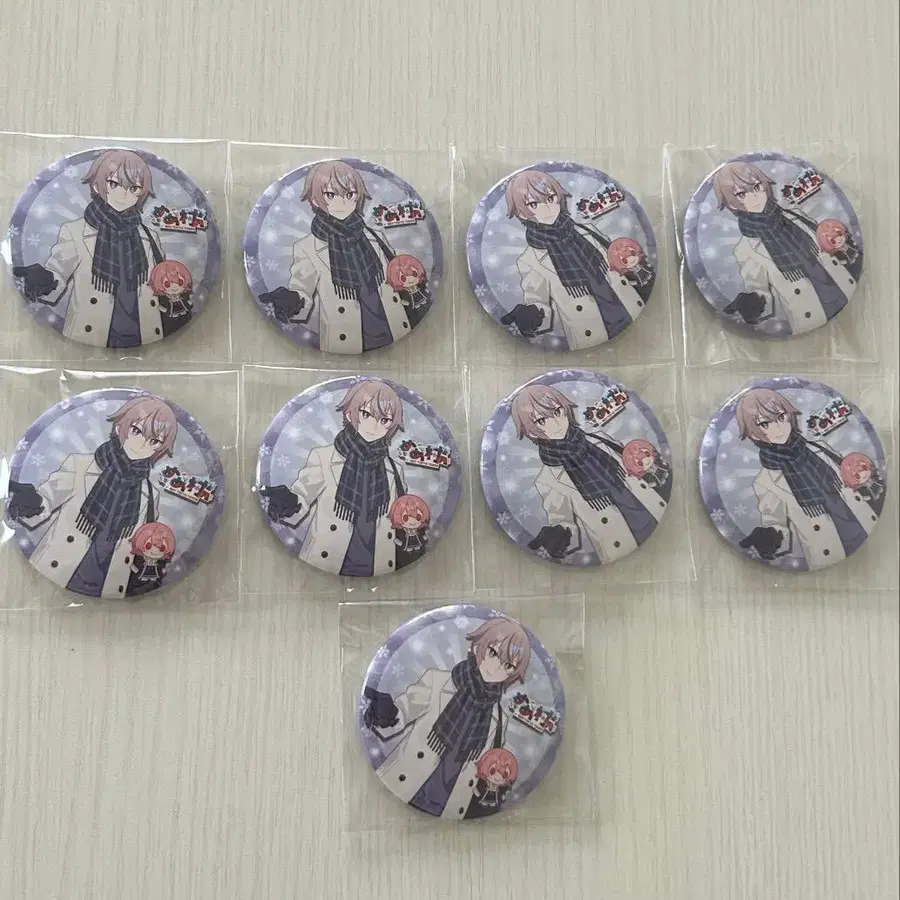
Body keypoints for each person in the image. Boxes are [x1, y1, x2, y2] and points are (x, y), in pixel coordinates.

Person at [5, 396, 177, 598]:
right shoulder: (80, 466)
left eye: (154, 441)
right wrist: (30, 503)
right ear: (119, 428)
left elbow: (142, 542)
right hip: (57, 571)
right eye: (136, 431)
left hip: (110, 585)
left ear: (160, 448)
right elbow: (47, 499)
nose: (142, 444)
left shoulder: (150, 494)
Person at [363, 616, 531, 820]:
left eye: (508, 666)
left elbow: (487, 765)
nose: (495, 669)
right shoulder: (437, 681)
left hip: (452, 804)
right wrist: (386, 713)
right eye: (493, 653)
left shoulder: (498, 718)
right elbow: (403, 711)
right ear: (477, 647)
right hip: (406, 786)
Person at [13, 149, 166, 348]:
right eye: (114, 184)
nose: (123, 194)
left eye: (134, 188)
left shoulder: (149, 236)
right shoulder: (75, 231)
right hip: (89, 334)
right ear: (96, 185)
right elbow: (58, 273)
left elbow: (162, 282)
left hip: (145, 334)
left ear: (141, 193)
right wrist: (45, 280)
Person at [258, 160, 410, 353]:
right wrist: (293, 301)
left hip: (394, 328)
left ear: (358, 196)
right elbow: (303, 291)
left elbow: (396, 277)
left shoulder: (375, 236)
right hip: (347, 337)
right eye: (330, 195)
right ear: (315, 200)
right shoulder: (307, 248)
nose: (342, 202)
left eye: (349, 194)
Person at [259, 379, 408, 577]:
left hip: (379, 564)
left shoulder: (394, 469)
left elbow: (400, 516)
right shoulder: (323, 457)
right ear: (349, 413)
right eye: (366, 414)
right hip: (327, 560)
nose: (374, 426)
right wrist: (288, 502)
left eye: (384, 420)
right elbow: (302, 499)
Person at [510, 383, 669, 563]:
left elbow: (633, 467)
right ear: (532, 433)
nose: (556, 423)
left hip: (654, 513)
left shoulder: (599, 439)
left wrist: (655, 470)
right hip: (621, 542)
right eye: (541, 421)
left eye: (557, 411)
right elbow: (563, 520)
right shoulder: (547, 479)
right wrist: (559, 536)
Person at [499, 170, 649, 349]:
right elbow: (539, 302)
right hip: (593, 332)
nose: (548, 208)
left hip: (630, 310)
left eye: (551, 198)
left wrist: (638, 269)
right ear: (521, 213)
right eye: (534, 204)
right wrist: (532, 315)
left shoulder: (586, 230)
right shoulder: (530, 260)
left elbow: (616, 261)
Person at [734, 388, 882, 569]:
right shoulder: (765, 482)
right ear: (753, 434)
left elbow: (850, 480)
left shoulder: (819, 447)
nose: (779, 427)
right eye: (765, 424)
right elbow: (777, 525)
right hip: (831, 553)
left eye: (781, 417)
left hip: (867, 529)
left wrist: (870, 482)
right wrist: (770, 538)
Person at [713, 161, 860, 334]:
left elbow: (826, 244)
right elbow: (760, 289)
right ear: (731, 204)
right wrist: (753, 303)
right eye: (741, 194)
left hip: (844, 288)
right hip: (812, 312)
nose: (755, 196)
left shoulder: (795, 215)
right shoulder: (746, 249)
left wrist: (847, 251)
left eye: (757, 187)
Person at [148, 260, 194, 337]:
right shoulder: (164, 299)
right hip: (171, 320)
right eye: (167, 284)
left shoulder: (183, 296)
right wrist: (164, 309)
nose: (174, 287)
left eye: (180, 282)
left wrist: (189, 303)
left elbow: (187, 304)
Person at [385, 255, 430, 328]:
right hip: (416, 312)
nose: (410, 279)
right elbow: (408, 303)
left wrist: (427, 292)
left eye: (414, 274)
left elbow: (427, 294)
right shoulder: (406, 293)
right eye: (403, 278)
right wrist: (407, 303)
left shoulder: (420, 288)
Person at [388, 494, 430, 570]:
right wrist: (400, 543)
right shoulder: (403, 532)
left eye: (418, 517)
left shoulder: (418, 530)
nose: (412, 521)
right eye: (406, 518)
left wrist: (424, 538)